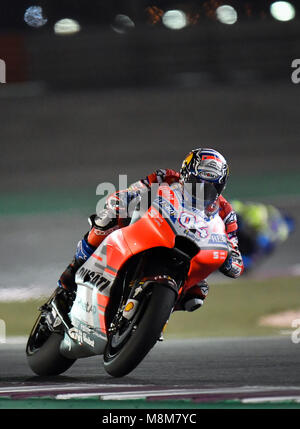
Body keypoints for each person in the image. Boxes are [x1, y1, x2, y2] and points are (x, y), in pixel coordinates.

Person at [56, 148, 244, 316]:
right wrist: (122, 200)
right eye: (197, 183)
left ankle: (154, 317)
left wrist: (229, 256)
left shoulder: (226, 212)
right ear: (185, 175)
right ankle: (72, 271)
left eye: (211, 187)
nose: (203, 191)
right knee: (108, 219)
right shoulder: (166, 177)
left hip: (187, 253)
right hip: (149, 229)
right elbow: (133, 190)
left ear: (221, 187)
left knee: (198, 293)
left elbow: (236, 259)